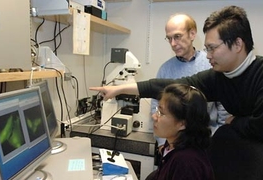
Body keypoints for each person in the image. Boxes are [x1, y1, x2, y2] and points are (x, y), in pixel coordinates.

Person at [90, 6, 263, 179]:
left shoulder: (259, 73)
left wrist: (234, 121)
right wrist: (118, 89)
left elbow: (259, 126)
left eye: (212, 48)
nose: (208, 55)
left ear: (238, 44)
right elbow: (173, 85)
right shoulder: (219, 76)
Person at [151, 13, 229, 152]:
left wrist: (217, 141)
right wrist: (163, 145)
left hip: (205, 145)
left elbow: (224, 108)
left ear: (192, 34)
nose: (173, 44)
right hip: (172, 147)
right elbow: (156, 107)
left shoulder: (211, 64)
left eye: (177, 36)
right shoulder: (165, 70)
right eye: (169, 39)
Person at [146, 83, 214, 180]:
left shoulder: (187, 162)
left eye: (161, 113)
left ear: (182, 124)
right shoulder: (172, 145)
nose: (154, 116)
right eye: (157, 110)